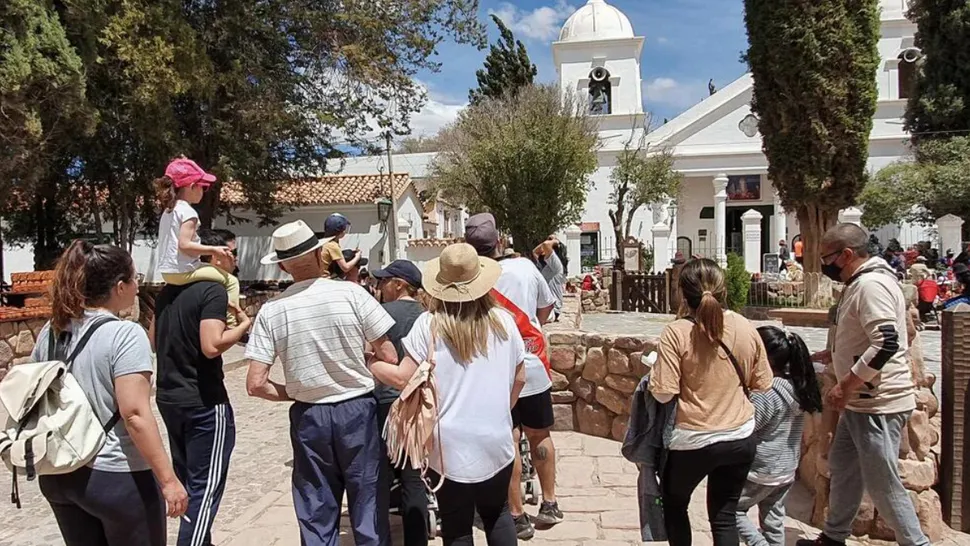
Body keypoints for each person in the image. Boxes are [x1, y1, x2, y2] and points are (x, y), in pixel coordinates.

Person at [244, 220, 398, 546]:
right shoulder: (352, 294)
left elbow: (255, 384)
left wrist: (296, 391)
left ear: (283, 264)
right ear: (319, 253)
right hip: (358, 410)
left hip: (309, 414)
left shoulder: (272, 311)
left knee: (315, 504)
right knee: (367, 497)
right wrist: (361, 362)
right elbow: (389, 354)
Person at [368, 243, 527, 546]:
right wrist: (500, 409)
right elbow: (520, 376)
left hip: (447, 443)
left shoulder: (428, 325)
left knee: (457, 524)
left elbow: (403, 378)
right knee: (498, 514)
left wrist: (371, 363)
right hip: (496, 436)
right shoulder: (503, 321)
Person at [34, 240, 187, 546]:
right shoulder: (125, 334)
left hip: (59, 471)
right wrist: (169, 480)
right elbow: (134, 414)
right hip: (115, 473)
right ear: (120, 287)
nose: (136, 286)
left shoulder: (52, 331)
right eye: (135, 279)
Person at [797, 223, 927, 546]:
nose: (824, 265)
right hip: (860, 404)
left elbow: (885, 343)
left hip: (877, 405)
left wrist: (847, 384)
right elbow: (865, 336)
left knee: (883, 484)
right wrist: (834, 353)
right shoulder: (859, 284)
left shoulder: (871, 286)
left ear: (847, 255)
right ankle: (833, 536)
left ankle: (916, 542)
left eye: (827, 257)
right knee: (844, 469)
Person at [648, 258, 773, 546]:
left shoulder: (676, 332)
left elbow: (664, 393)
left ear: (682, 293)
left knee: (675, 505)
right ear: (723, 289)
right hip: (740, 435)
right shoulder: (745, 326)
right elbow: (762, 383)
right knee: (724, 516)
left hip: (692, 439)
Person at [151, 227, 252, 546]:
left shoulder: (167, 292)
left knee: (189, 481)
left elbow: (154, 340)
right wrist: (245, 326)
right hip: (204, 399)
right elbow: (211, 345)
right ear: (211, 254)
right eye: (230, 251)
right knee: (204, 489)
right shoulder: (213, 289)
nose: (233, 258)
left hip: (170, 398)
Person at [465, 213, 562, 538]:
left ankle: (517, 515)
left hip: (495, 370)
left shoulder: (471, 276)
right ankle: (549, 503)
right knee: (540, 434)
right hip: (532, 365)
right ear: (500, 241)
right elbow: (545, 311)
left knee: (510, 437)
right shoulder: (524, 267)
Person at [736, 327, 823, 546]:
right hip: (784, 470)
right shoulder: (798, 387)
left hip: (760, 469)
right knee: (774, 519)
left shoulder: (768, 392)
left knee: (730, 511)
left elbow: (748, 426)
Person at [370, 260, 429, 546]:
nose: (379, 286)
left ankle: (380, 537)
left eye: (384, 281)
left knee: (379, 475)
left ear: (399, 284)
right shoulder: (428, 316)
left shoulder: (379, 314)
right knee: (413, 475)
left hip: (384, 400)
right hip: (418, 401)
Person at [154, 158, 237, 324]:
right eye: (203, 186)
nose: (204, 191)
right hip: (184, 271)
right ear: (192, 186)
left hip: (167, 271)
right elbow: (184, 245)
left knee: (207, 268)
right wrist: (213, 250)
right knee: (232, 281)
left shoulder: (169, 210)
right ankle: (231, 322)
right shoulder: (188, 212)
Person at [534, 237, 566, 322]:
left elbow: (546, 245)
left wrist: (556, 241)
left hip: (552, 310)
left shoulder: (557, 266)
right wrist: (551, 240)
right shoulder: (547, 266)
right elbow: (535, 252)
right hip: (545, 308)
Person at [321, 212, 362, 277]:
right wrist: (357, 256)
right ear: (340, 231)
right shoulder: (333, 245)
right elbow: (345, 268)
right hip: (324, 278)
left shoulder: (323, 243)